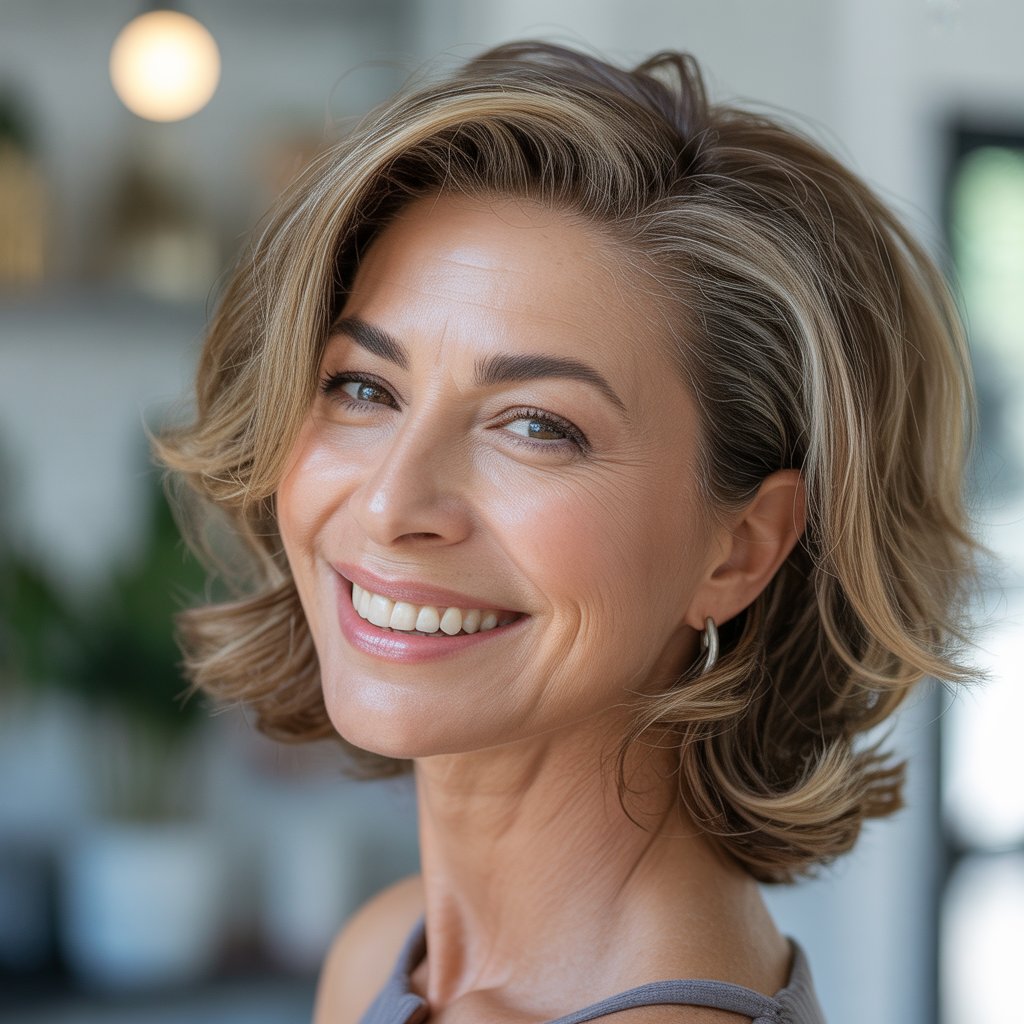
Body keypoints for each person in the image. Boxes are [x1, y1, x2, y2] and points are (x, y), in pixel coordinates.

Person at [154, 41, 978, 1024]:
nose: (389, 504)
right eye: (363, 388)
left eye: (538, 426)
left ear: (742, 548)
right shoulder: (387, 951)